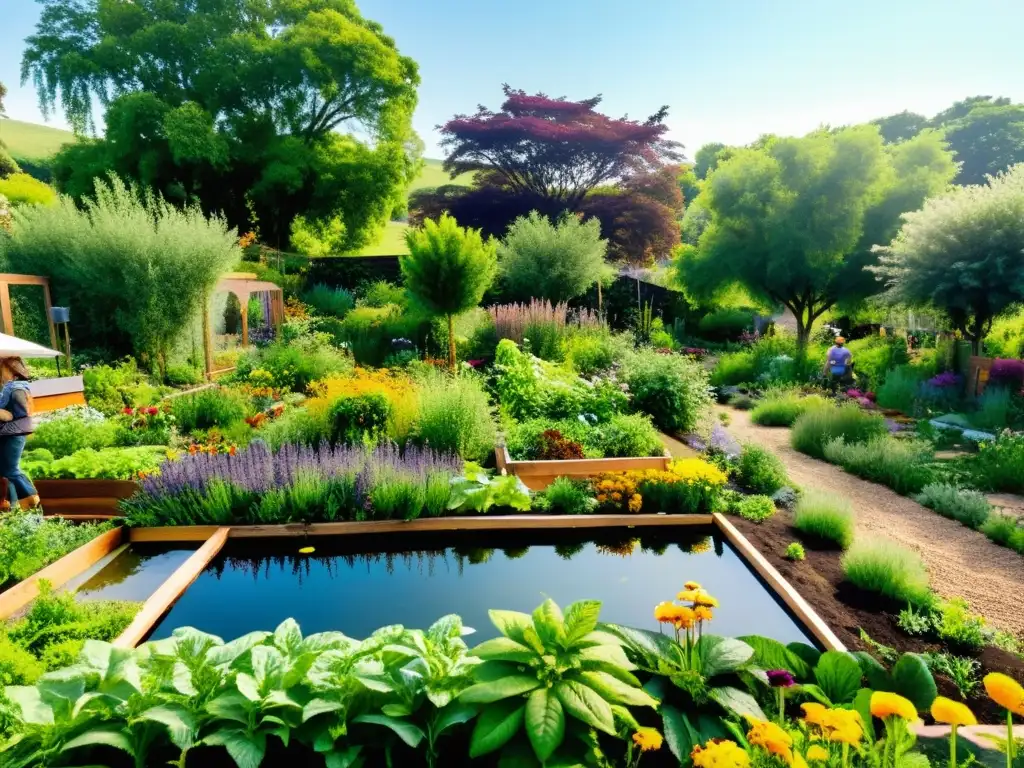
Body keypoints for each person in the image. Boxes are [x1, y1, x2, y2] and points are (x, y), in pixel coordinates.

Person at [0, 357, 40, 511]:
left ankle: (32, 502)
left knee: (11, 470)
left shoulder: (16, 387)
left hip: (13, 434)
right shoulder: (10, 386)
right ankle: (12, 505)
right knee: (4, 470)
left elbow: (19, 413)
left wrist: (5, 414)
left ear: (10, 369)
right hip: (9, 434)